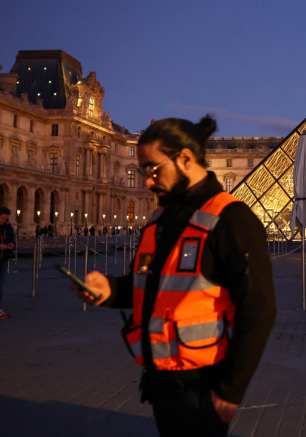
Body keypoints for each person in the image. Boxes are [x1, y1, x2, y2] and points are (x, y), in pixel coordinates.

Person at [70, 116, 276, 436]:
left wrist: (229, 393)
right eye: (142, 171)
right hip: (159, 382)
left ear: (185, 158)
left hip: (202, 387)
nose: (147, 182)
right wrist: (109, 289)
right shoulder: (159, 220)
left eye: (152, 169)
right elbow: (151, 289)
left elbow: (259, 310)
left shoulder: (233, 218)